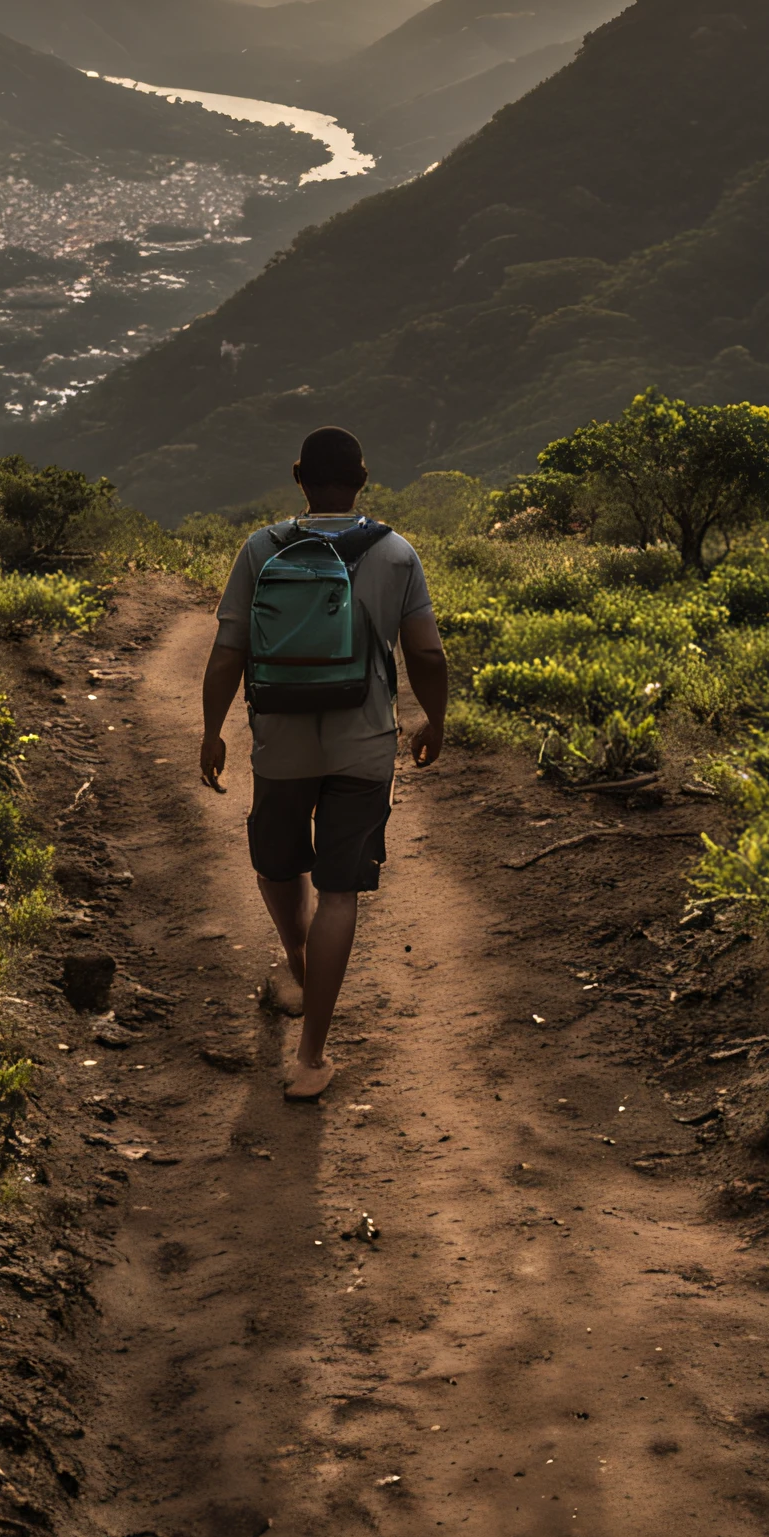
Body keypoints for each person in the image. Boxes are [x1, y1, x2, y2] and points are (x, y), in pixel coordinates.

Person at [198, 425, 448, 1100]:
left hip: (280, 744)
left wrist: (212, 730)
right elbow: (425, 654)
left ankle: (298, 961)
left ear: (298, 479)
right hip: (364, 747)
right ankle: (310, 1058)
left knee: (277, 863)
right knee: (340, 892)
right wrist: (437, 717)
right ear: (363, 480)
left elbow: (228, 652)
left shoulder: (262, 548)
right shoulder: (397, 554)